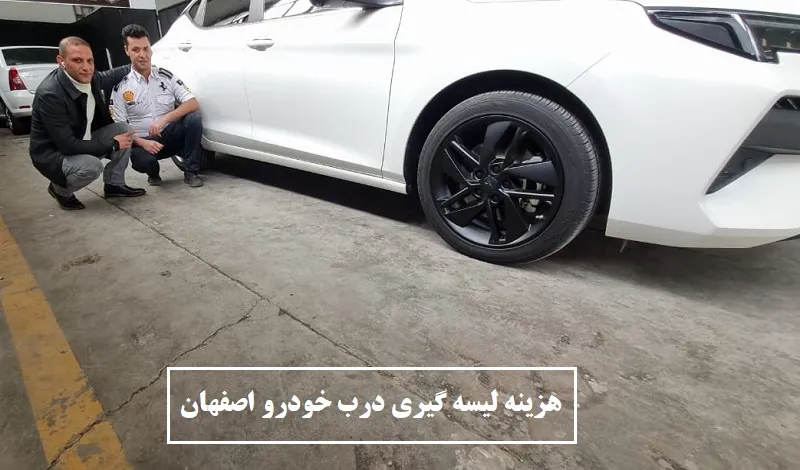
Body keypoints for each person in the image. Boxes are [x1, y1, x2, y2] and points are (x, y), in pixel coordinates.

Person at [29, 36, 146, 211]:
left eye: (89, 60)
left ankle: (114, 185)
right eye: (77, 60)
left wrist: (138, 63)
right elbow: (68, 145)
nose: (86, 67)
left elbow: (111, 75)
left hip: (82, 138)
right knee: (91, 167)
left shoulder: (90, 77)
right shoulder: (50, 95)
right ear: (61, 61)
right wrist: (113, 144)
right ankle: (60, 190)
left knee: (124, 129)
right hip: (55, 154)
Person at [110, 24, 204, 188]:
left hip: (169, 135)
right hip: (142, 143)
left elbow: (192, 103)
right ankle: (153, 173)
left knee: (193, 118)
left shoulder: (166, 77)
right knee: (144, 162)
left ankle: (191, 171)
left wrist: (164, 120)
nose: (142, 55)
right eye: (136, 50)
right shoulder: (121, 88)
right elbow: (119, 128)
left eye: (146, 49)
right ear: (127, 51)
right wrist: (142, 142)